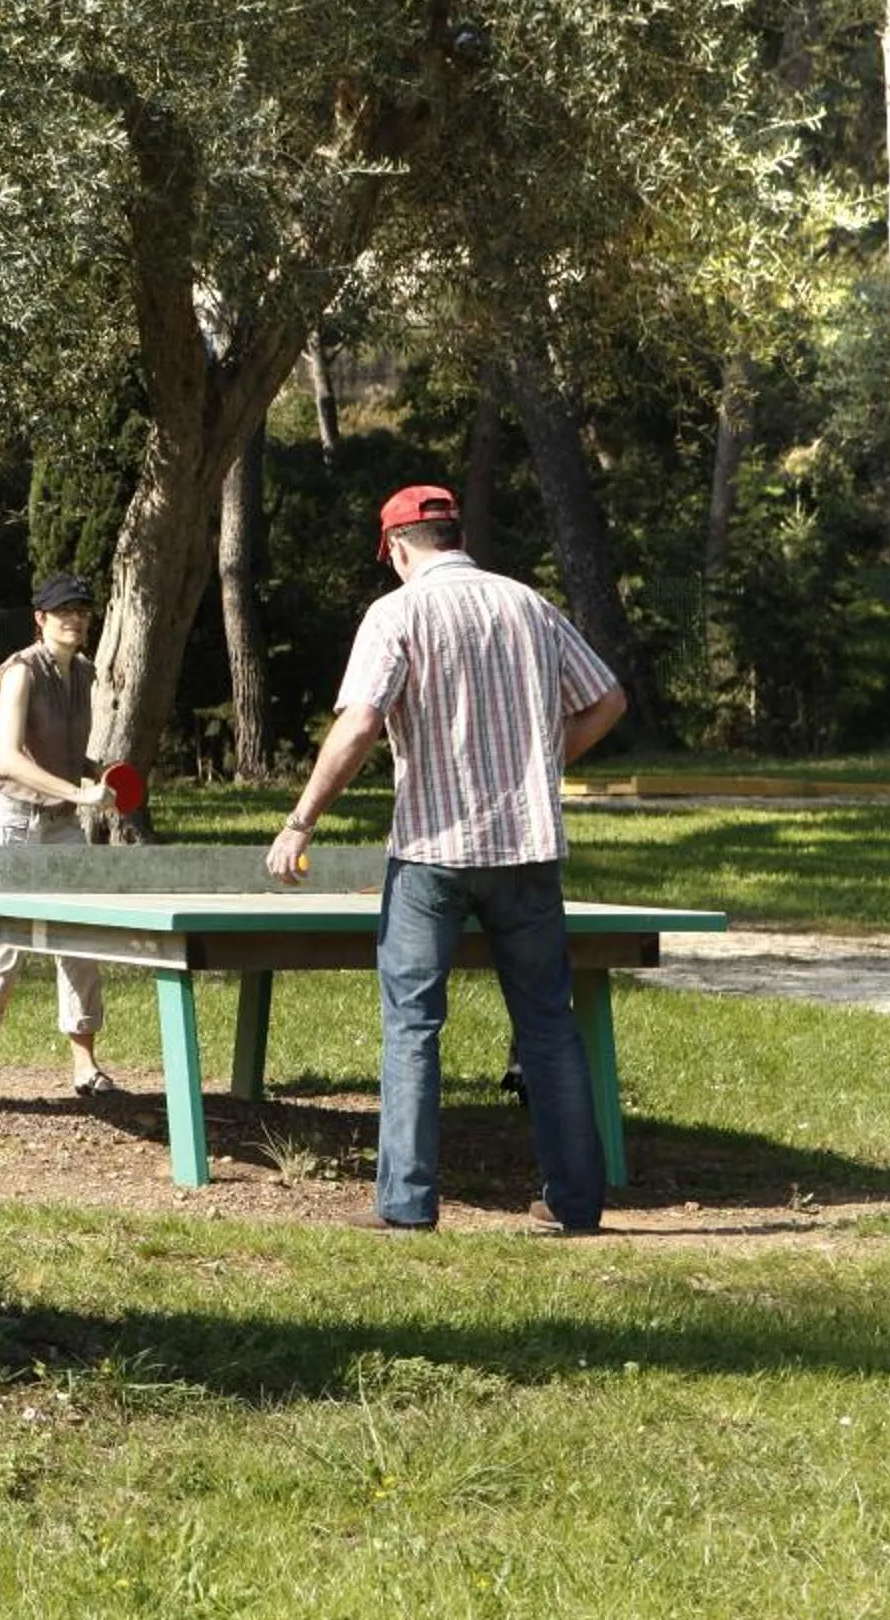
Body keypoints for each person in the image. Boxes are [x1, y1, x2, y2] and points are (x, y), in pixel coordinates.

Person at [265, 485, 630, 1235]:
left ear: (398, 547)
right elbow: (608, 701)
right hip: (528, 849)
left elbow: (360, 723)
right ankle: (575, 1205)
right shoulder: (529, 605)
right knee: (548, 1024)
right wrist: (542, 763)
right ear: (455, 535)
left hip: (431, 851)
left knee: (413, 1027)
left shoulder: (396, 613)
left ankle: (406, 1204)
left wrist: (301, 822)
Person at [0, 572, 113, 1103]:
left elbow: (61, 748)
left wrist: (95, 772)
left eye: (82, 611)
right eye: (64, 611)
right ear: (41, 618)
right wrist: (80, 792)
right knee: (6, 939)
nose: (75, 620)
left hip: (62, 818)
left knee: (79, 935)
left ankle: (86, 1066)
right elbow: (9, 758)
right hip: (9, 816)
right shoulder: (20, 672)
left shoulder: (84, 671)